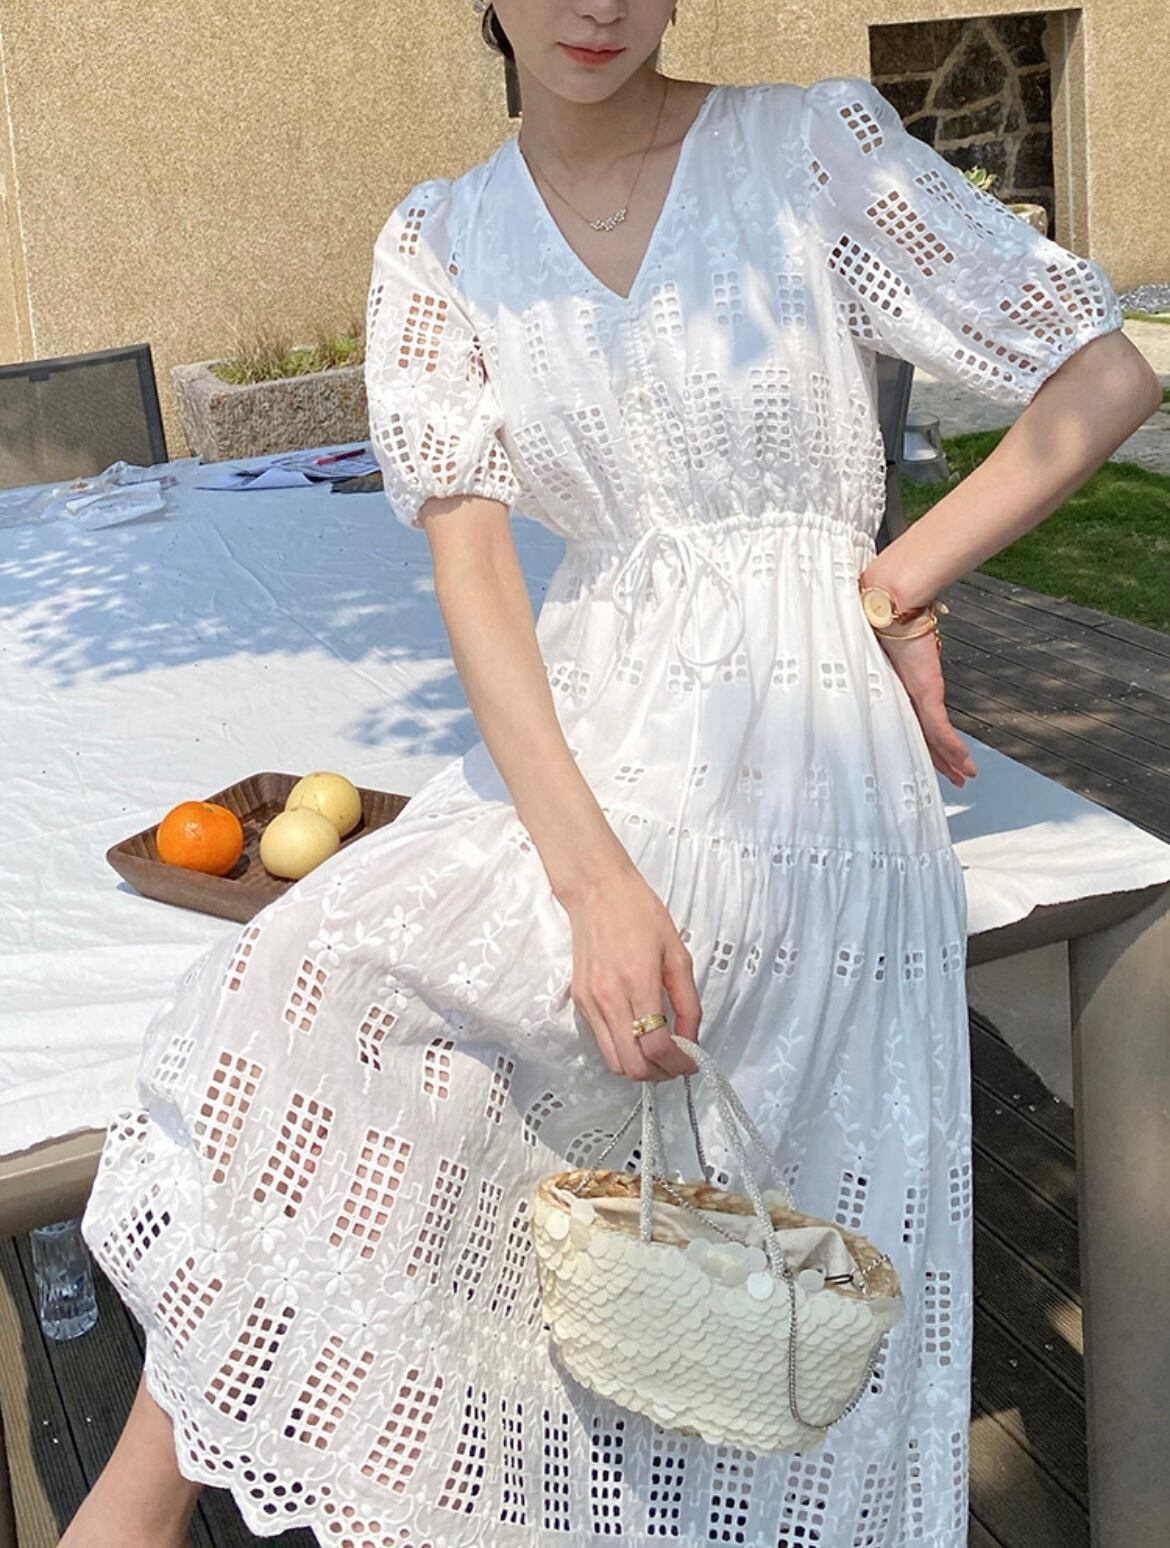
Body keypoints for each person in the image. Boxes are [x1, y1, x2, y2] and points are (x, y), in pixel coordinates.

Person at [69, 3, 1158, 1546]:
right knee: (312, 985)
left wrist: (883, 586)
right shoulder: (439, 241)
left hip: (801, 757)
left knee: (597, 1113)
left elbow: (1102, 378)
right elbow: (474, 574)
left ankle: (136, 1514)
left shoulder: (810, 148)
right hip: (590, 713)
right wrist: (592, 883)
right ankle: (176, 1503)